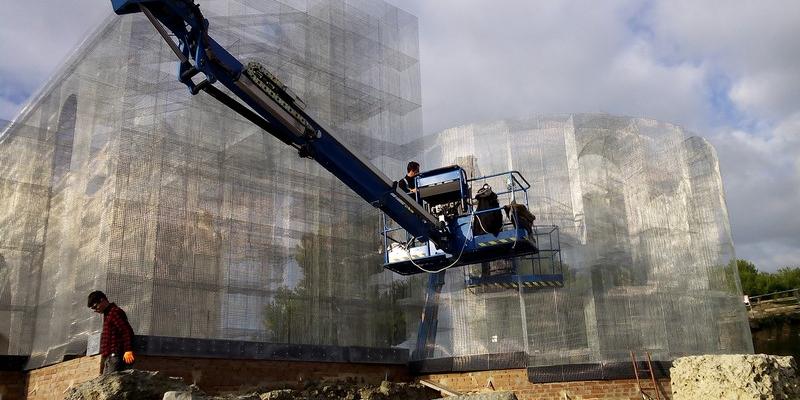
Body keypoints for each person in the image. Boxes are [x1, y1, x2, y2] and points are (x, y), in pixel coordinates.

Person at [87, 290, 135, 374]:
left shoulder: (114, 312)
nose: (96, 310)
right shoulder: (108, 314)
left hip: (116, 356)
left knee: (112, 381)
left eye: (95, 306)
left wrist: (128, 350)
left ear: (102, 300)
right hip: (110, 357)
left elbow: (126, 331)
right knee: (106, 381)